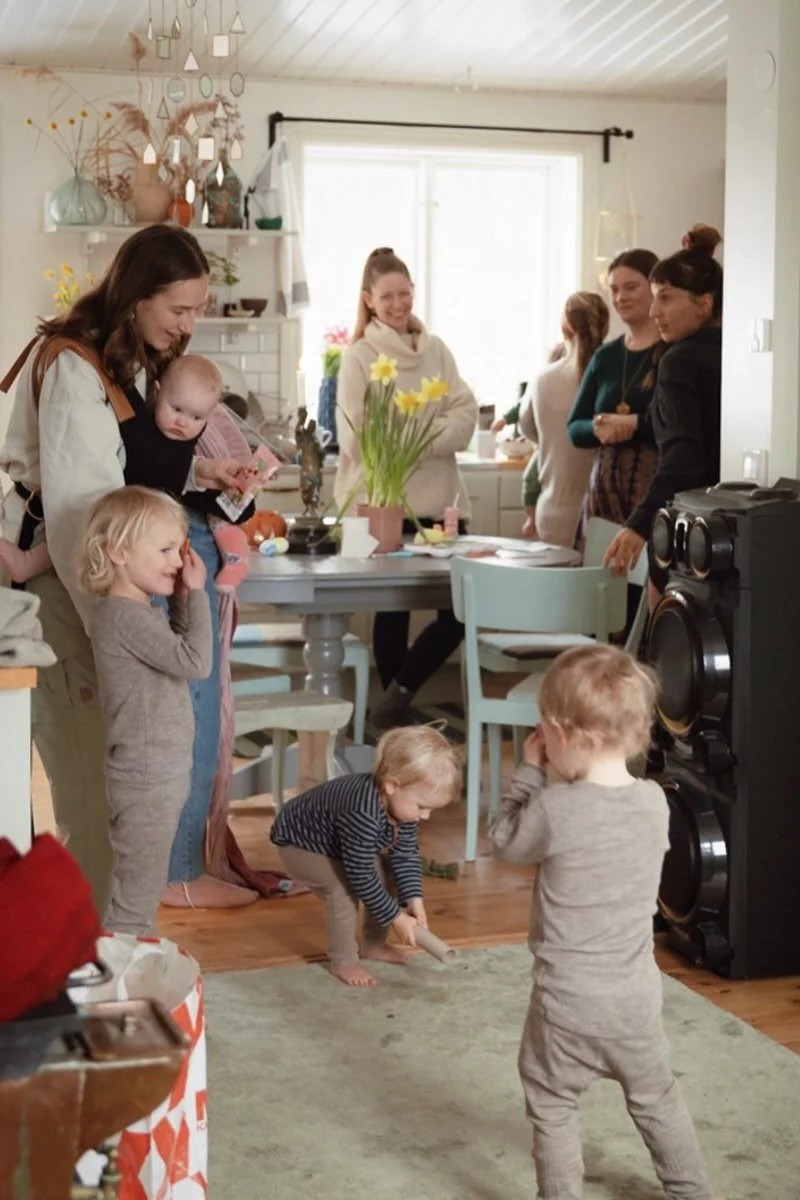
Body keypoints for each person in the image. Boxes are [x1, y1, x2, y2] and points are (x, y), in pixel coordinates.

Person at [0, 224, 255, 914]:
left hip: (79, 578)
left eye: (199, 308)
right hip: (59, 582)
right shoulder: (76, 367)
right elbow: (86, 513)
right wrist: (126, 631)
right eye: (180, 308)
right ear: (138, 296)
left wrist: (206, 471)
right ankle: (90, 954)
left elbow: (135, 464)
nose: (190, 323)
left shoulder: (130, 360)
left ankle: (83, 946)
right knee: (90, 775)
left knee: (95, 779)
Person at [490, 644, 715, 1200]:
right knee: (657, 1096)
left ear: (561, 734)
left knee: (551, 1098)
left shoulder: (552, 809)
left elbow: (504, 839)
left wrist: (530, 771)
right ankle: (693, 1192)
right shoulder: (656, 803)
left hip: (566, 1000)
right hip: (635, 997)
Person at [335, 247, 478, 731]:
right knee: (391, 612)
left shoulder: (436, 349)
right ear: (369, 300)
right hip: (383, 504)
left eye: (405, 292)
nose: (398, 303)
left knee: (460, 612)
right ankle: (393, 725)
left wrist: (414, 435)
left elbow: (466, 413)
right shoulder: (360, 357)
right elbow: (356, 436)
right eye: (387, 295)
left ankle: (396, 699)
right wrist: (423, 428)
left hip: (443, 503)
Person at [76, 486, 213, 935]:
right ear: (119, 551)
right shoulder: (124, 616)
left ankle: (130, 959)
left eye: (180, 549)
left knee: (143, 882)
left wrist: (178, 596)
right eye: (166, 549)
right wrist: (198, 593)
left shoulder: (137, 611)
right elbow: (195, 662)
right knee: (136, 893)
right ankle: (121, 975)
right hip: (148, 775)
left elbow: (175, 645)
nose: (178, 561)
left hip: (157, 771)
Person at [0, 353, 251, 593]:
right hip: (117, 519)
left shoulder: (187, 441)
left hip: (152, 538)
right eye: (176, 410)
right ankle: (29, 562)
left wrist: (204, 472)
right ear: (156, 392)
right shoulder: (137, 422)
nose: (183, 422)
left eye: (197, 417)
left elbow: (184, 471)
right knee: (82, 532)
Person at [270, 724, 461, 987]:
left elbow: (405, 854)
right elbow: (359, 874)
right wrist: (396, 917)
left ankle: (373, 944)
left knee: (387, 871)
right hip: (299, 843)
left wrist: (414, 899)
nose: (425, 816)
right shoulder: (362, 811)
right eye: (422, 807)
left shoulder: (403, 805)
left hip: (336, 842)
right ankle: (343, 960)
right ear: (393, 785)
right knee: (342, 889)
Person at [602, 226, 723, 595]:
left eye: (665, 298)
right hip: (728, 527)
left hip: (689, 528)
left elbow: (682, 457)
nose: (654, 311)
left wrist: (639, 524)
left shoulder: (680, 361)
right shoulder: (735, 354)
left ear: (704, 303)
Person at [567, 249, 662, 532]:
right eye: (614, 290)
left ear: (655, 289)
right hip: (604, 492)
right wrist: (598, 428)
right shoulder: (605, 356)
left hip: (653, 491)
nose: (621, 297)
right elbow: (574, 427)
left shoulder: (672, 352)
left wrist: (632, 425)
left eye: (631, 287)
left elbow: (677, 425)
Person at [518, 293, 609, 547]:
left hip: (554, 511)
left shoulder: (542, 380)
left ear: (564, 328)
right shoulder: (613, 376)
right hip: (606, 515)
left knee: (555, 587)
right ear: (606, 326)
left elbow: (529, 430)